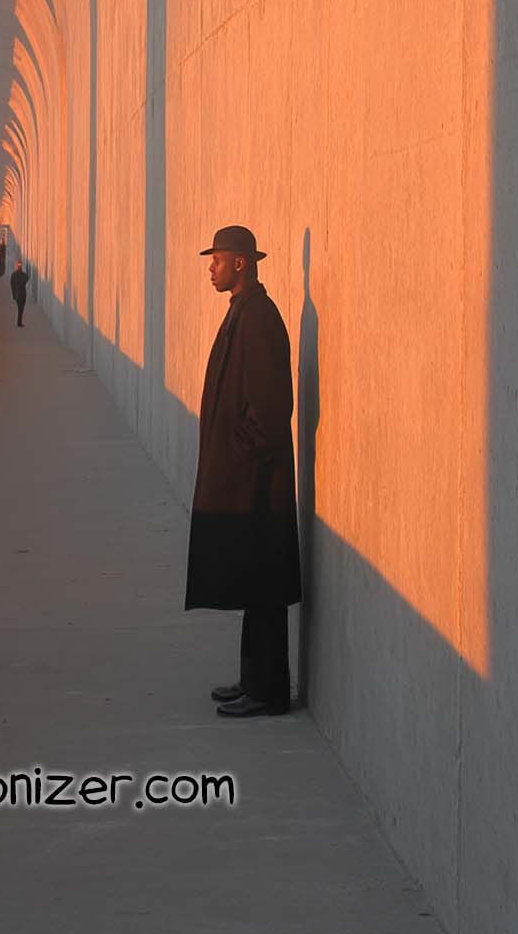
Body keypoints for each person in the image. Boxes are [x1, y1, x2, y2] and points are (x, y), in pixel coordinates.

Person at [186, 225, 302, 717]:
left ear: (240, 264)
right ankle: (252, 681)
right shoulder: (243, 311)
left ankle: (268, 693)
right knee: (255, 584)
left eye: (217, 259)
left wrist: (243, 456)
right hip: (247, 474)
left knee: (265, 587)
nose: (210, 267)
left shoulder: (257, 318)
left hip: (258, 480)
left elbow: (273, 406)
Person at [10, 259, 29, 327]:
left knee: (20, 309)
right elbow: (27, 279)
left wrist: (13, 294)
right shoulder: (22, 275)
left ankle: (19, 322)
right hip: (22, 295)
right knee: (21, 309)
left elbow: (12, 284)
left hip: (18, 295)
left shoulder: (14, 275)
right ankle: (19, 322)